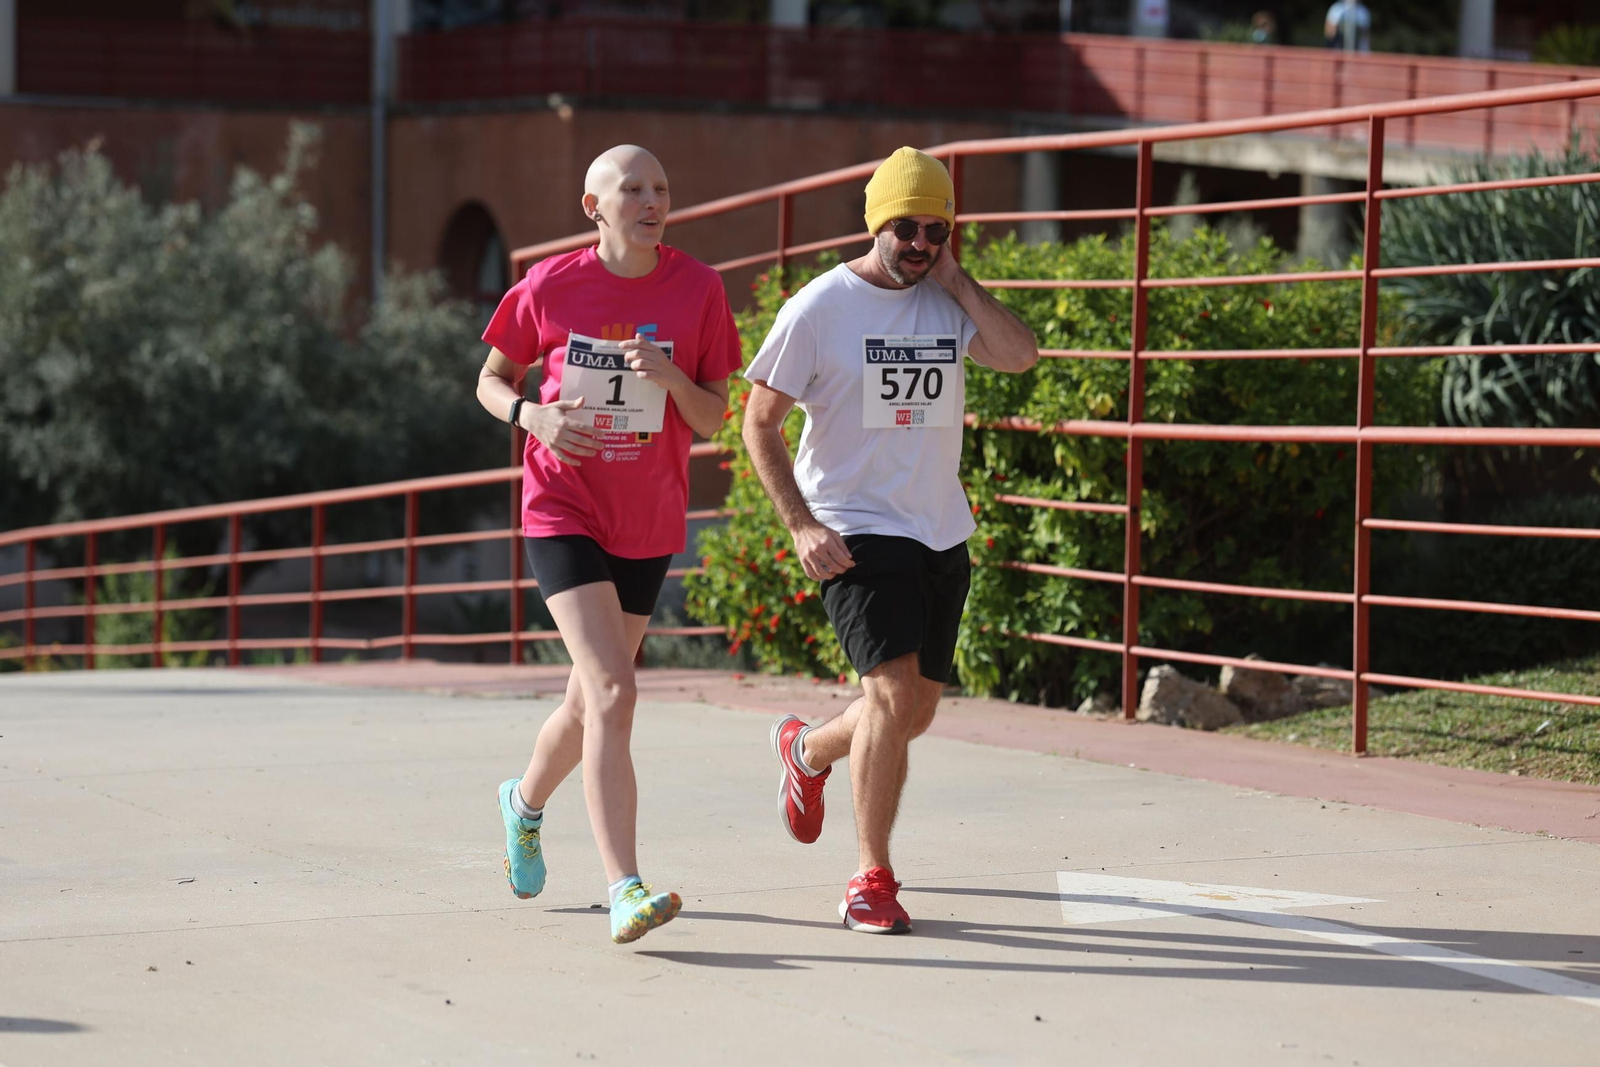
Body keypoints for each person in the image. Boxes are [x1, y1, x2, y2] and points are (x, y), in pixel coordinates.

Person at [742, 147, 1039, 934]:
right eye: (906, 227)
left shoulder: (947, 298)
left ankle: (806, 752)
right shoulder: (819, 307)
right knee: (892, 695)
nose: (920, 243)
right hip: (854, 526)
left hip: (939, 527)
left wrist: (958, 281)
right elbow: (758, 423)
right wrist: (802, 524)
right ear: (876, 223)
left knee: (915, 712)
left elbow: (1021, 355)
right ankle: (870, 878)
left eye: (936, 230)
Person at [476, 144, 742, 944]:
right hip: (563, 507)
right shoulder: (550, 285)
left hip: (647, 520)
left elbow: (715, 416)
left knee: (586, 701)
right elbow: (491, 379)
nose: (652, 201)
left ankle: (522, 805)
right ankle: (626, 886)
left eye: (661, 187)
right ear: (594, 207)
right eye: (633, 189)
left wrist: (671, 376)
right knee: (615, 692)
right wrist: (533, 416)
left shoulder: (700, 289)